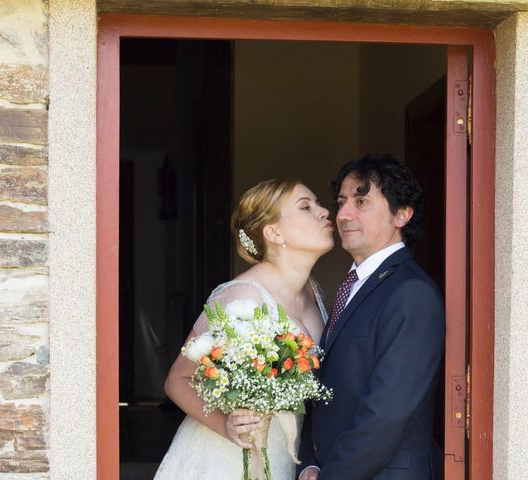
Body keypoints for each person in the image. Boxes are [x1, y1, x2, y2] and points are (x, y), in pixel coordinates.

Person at [154, 178, 334, 480]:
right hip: (222, 460)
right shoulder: (242, 296)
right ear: (274, 232)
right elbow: (177, 380)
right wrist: (226, 424)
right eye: (306, 207)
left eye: (318, 203)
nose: (324, 211)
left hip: (281, 457)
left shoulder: (314, 292)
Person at [298, 154, 445, 480]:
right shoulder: (350, 286)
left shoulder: (412, 292)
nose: (344, 214)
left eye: (361, 201)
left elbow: (386, 413)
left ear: (402, 214)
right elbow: (323, 388)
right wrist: (309, 461)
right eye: (341, 202)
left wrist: (330, 476)